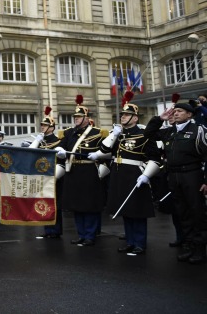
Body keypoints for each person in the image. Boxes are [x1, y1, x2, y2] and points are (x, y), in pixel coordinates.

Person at [90, 101, 161, 255]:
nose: (123, 117)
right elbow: (104, 149)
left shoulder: (144, 134)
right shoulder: (118, 133)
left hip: (135, 174)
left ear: (135, 118)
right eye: (122, 114)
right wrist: (114, 134)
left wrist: (146, 175)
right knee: (125, 209)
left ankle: (139, 243)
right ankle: (130, 241)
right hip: (118, 174)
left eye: (127, 115)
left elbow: (155, 158)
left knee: (138, 210)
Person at [144, 102, 207, 264]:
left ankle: (200, 249)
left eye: (180, 111)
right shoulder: (169, 131)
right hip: (174, 175)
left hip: (192, 175)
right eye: (175, 111)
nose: (176, 113)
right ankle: (188, 246)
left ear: (189, 114)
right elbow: (148, 133)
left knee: (196, 212)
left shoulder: (198, 130)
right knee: (182, 212)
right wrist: (160, 118)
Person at [55, 96, 105, 247]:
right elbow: (60, 146)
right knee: (76, 205)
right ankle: (81, 234)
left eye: (79, 117)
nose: (76, 119)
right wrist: (59, 151)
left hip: (89, 171)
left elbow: (106, 151)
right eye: (75, 117)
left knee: (89, 205)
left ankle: (90, 234)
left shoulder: (98, 132)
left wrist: (98, 155)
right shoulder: (69, 133)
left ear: (86, 118)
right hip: (73, 171)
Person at [31, 107, 64, 239]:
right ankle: (47, 229)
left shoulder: (58, 141)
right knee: (44, 202)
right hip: (42, 176)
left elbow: (62, 160)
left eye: (45, 125)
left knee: (55, 204)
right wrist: (37, 140)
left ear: (52, 127)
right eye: (42, 125)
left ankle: (55, 230)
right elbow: (31, 152)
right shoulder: (41, 141)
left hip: (55, 175)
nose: (43, 127)